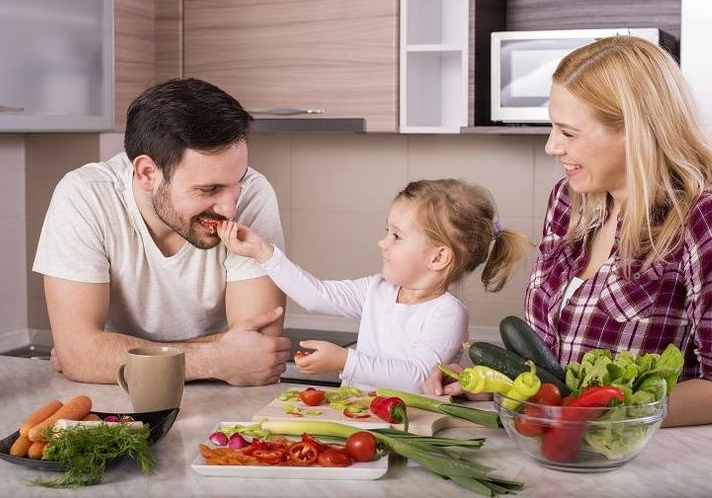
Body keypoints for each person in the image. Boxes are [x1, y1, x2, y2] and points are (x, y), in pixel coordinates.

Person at [424, 36, 712, 427]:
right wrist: (495, 384)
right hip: (554, 449)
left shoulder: (708, 220)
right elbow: (547, 367)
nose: (552, 146)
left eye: (568, 133)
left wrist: (591, 415)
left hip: (646, 465)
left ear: (634, 131)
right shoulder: (570, 201)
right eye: (552, 128)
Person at [33, 78, 292, 386]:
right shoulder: (85, 196)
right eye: (209, 189)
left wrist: (104, 354)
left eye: (237, 182)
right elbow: (80, 355)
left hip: (221, 401)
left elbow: (258, 351)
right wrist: (218, 358)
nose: (230, 209)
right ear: (147, 173)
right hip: (123, 403)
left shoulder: (252, 194)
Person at [217, 179, 528, 392]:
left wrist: (344, 360)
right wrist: (262, 252)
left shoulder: (447, 313)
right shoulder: (376, 290)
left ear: (438, 257)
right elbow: (315, 296)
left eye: (397, 236)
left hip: (408, 428)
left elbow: (418, 378)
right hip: (359, 418)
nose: (382, 242)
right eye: (386, 231)